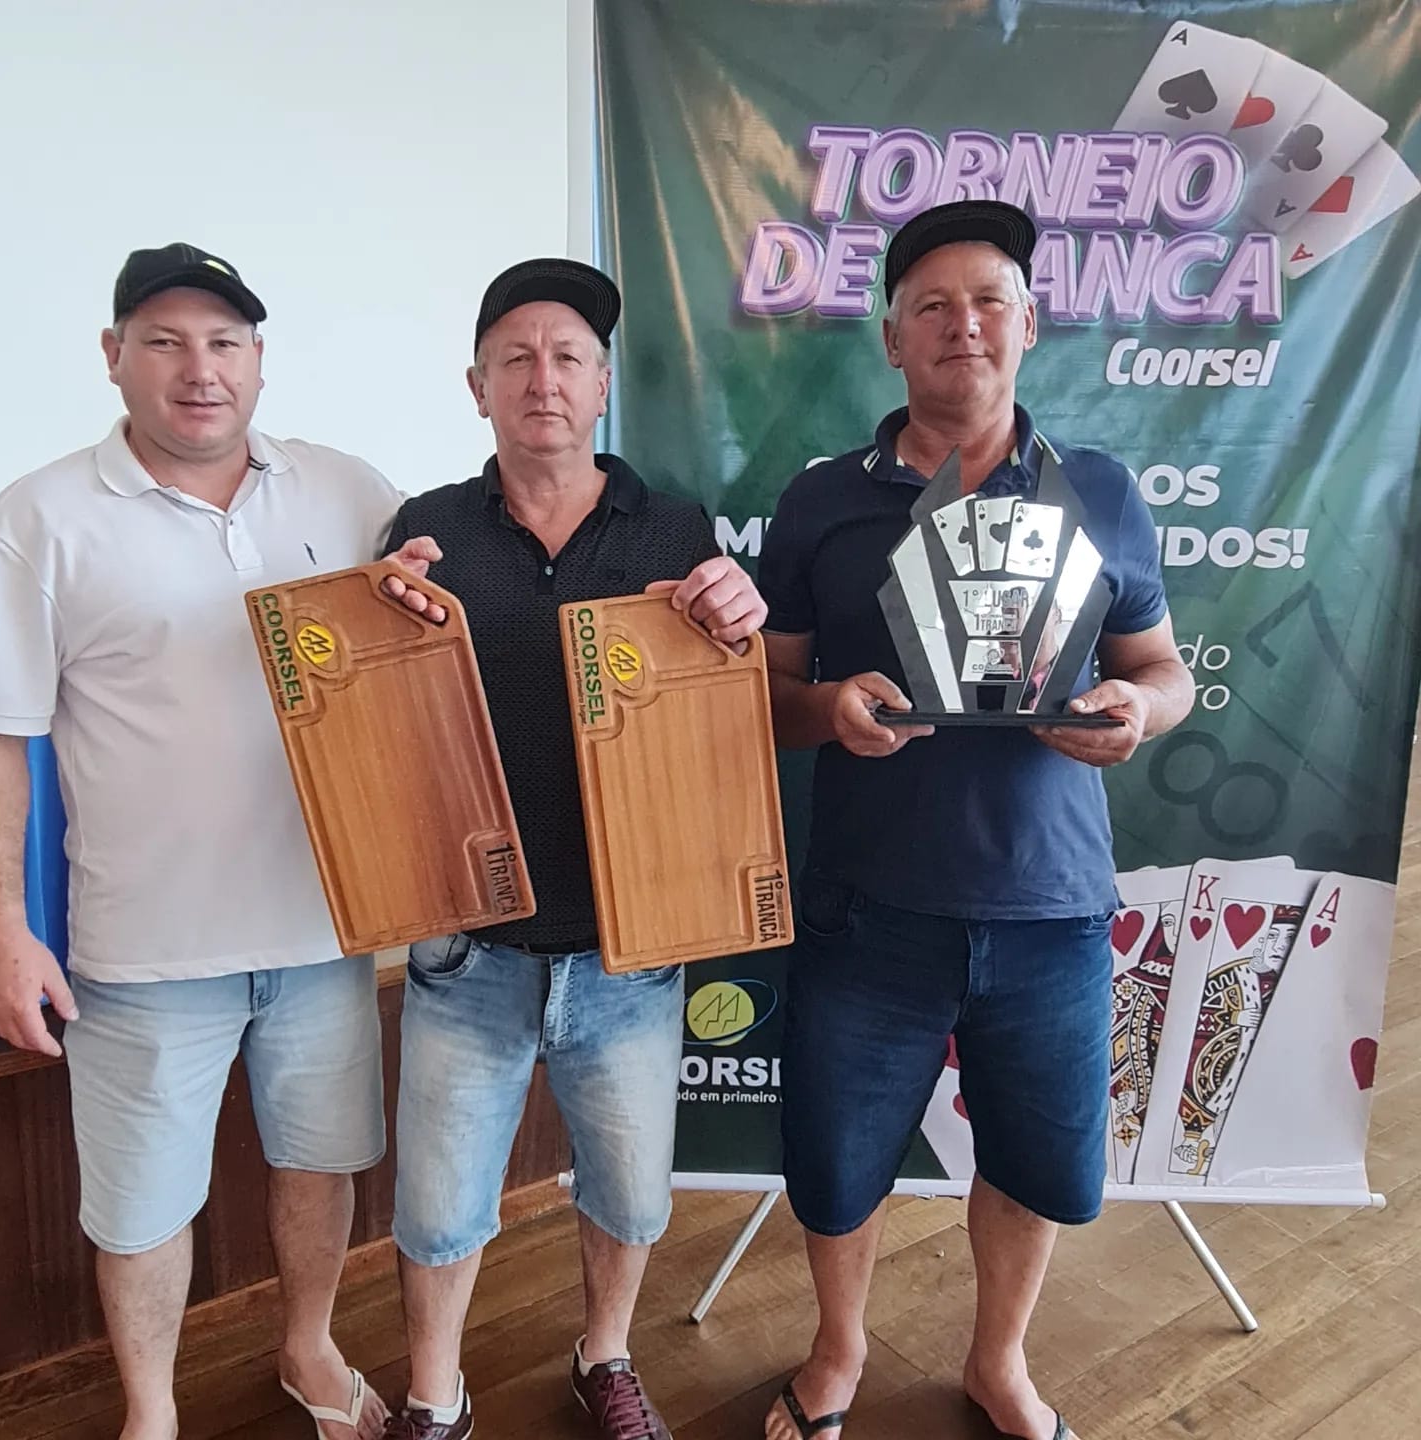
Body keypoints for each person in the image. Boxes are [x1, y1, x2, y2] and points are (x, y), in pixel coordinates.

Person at [0, 243, 436, 1440]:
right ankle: (151, 1413)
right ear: (113, 356)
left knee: (322, 1163)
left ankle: (308, 1348)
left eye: (225, 342)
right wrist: (2, 931)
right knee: (138, 1209)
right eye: (166, 342)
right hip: (142, 950)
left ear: (259, 360)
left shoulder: (348, 491)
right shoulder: (34, 520)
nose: (200, 370)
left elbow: (430, 650)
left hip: (325, 929)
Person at [756, 201, 1194, 1440]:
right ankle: (838, 1352)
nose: (965, 325)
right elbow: (763, 698)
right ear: (891, 339)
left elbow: (1166, 672)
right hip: (867, 904)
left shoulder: (1100, 492)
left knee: (1036, 1163)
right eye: (933, 307)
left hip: (1051, 906)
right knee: (839, 1163)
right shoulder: (821, 502)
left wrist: (1138, 712)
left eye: (990, 301)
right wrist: (828, 708)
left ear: (1030, 326)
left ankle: (999, 1362)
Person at [379, 258, 766, 1440]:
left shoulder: (675, 526)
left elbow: (716, 711)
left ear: (602, 385)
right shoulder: (428, 530)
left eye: (567, 358)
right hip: (469, 948)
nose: (541, 379)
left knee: (632, 1197)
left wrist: (739, 628)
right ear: (477, 386)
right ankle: (435, 1395)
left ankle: (606, 1357)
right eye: (516, 358)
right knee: (439, 1208)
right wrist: (373, 628)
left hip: (628, 950)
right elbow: (387, 727)